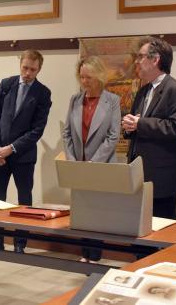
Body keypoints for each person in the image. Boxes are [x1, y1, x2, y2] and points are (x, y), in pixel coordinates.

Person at [0, 49, 52, 253]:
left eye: (32, 70)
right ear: (20, 64)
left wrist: (11, 149)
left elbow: (37, 130)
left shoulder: (43, 93)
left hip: (23, 156)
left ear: (39, 69)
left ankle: (20, 243)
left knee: (24, 199)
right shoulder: (6, 85)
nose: (27, 73)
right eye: (25, 67)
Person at [122, 36, 176, 220]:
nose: (137, 61)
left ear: (155, 59)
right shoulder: (144, 90)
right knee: (138, 232)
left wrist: (140, 123)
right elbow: (137, 124)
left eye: (141, 56)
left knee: (161, 236)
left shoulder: (174, 89)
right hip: (139, 175)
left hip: (161, 178)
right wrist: (129, 126)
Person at [62, 56, 121, 262]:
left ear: (98, 77)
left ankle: (95, 254)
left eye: (88, 77)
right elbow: (67, 133)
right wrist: (72, 160)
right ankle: (83, 252)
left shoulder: (112, 100)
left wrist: (93, 163)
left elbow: (113, 136)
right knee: (82, 210)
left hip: (101, 165)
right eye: (81, 77)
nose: (84, 82)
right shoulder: (75, 100)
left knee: (98, 211)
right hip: (78, 165)